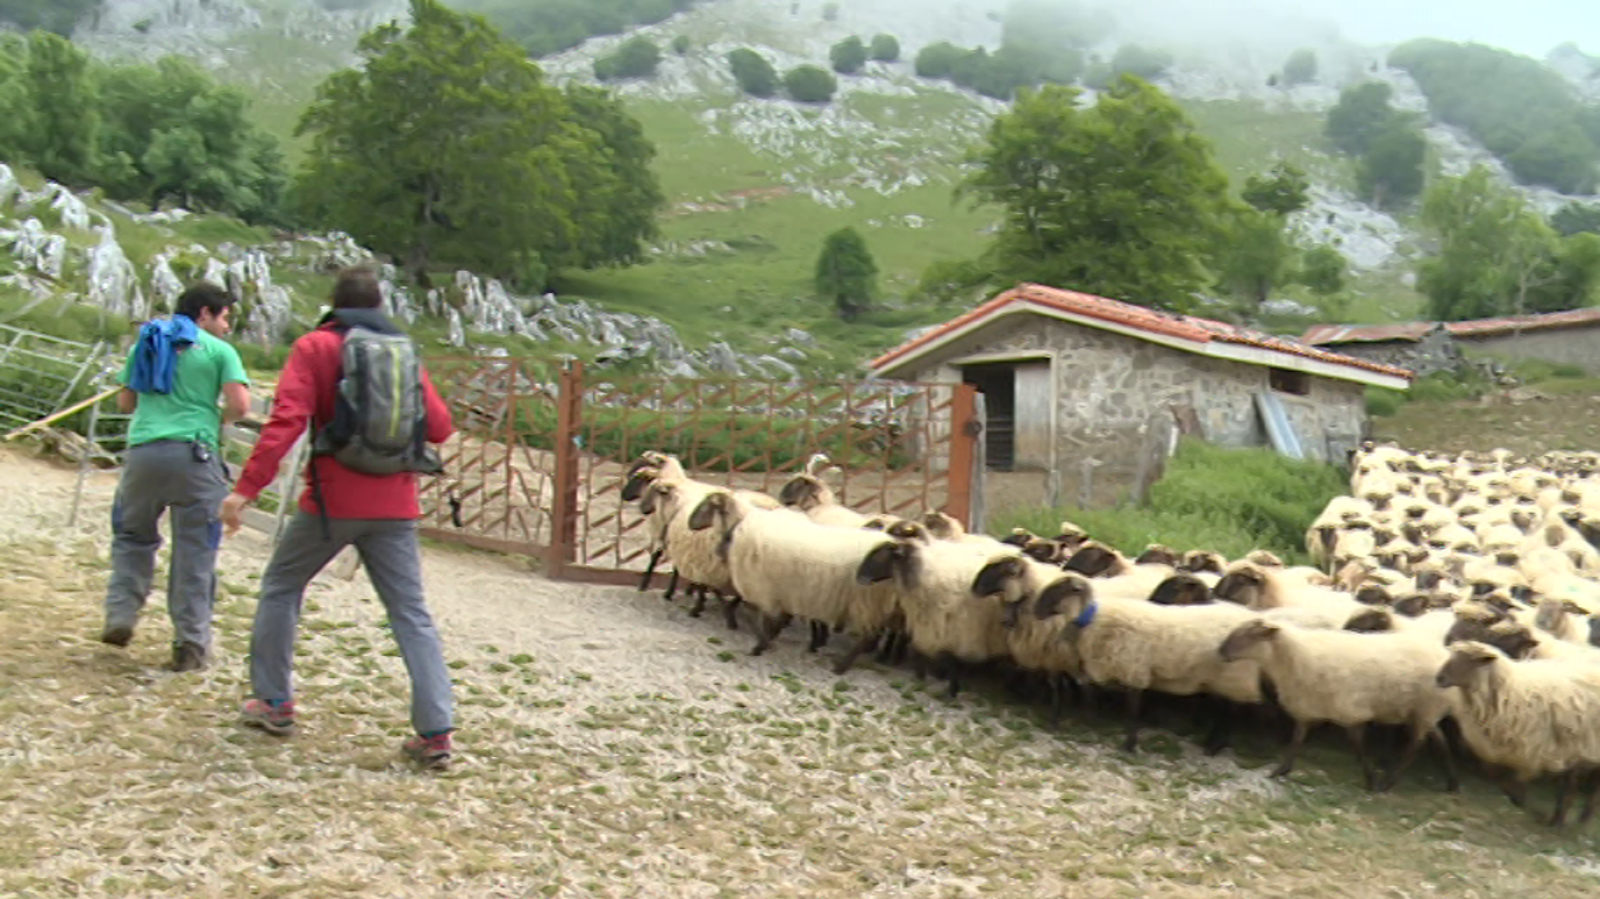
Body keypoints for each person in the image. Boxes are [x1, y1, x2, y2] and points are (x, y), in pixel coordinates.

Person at [220, 266, 458, 770]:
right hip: (396, 504)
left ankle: (274, 702)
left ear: (334, 302)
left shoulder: (315, 347)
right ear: (379, 306)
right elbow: (439, 427)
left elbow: (286, 422)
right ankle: (435, 732)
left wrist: (246, 490)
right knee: (410, 613)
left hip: (330, 501)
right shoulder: (402, 351)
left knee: (283, 585)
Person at [102, 282, 251, 672]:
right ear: (205, 313)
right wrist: (214, 418)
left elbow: (125, 400)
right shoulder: (220, 351)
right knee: (195, 553)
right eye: (224, 317)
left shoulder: (148, 341)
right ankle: (190, 644)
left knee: (132, 536)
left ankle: (120, 615)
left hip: (145, 453)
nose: (227, 327)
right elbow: (240, 404)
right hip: (194, 457)